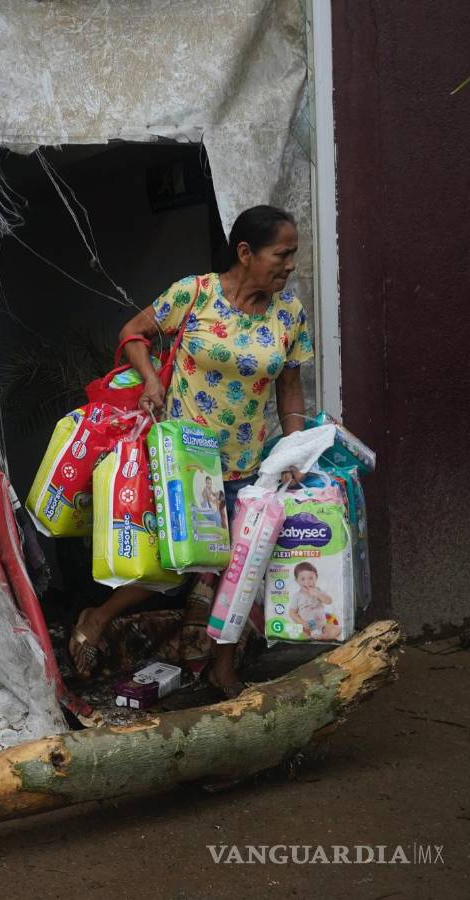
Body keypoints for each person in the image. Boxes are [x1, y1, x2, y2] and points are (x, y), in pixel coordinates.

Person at [69, 205, 313, 696]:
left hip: (249, 463)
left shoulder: (289, 313)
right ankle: (100, 614)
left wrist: (292, 447)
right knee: (174, 561)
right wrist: (154, 380)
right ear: (245, 253)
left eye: (294, 256)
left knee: (236, 569)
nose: (289, 266)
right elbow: (132, 333)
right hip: (185, 458)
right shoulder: (194, 293)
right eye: (281, 255)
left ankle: (222, 665)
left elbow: (290, 387)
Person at [288, 561, 339, 640]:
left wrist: (318, 594)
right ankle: (311, 637)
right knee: (298, 632)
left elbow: (329, 601)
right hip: (306, 626)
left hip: (322, 625)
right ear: (297, 580)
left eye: (311, 578)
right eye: (302, 579)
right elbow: (292, 613)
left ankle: (322, 637)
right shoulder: (297, 596)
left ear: (316, 577)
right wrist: (302, 623)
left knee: (337, 629)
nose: (307, 582)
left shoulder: (318, 591)